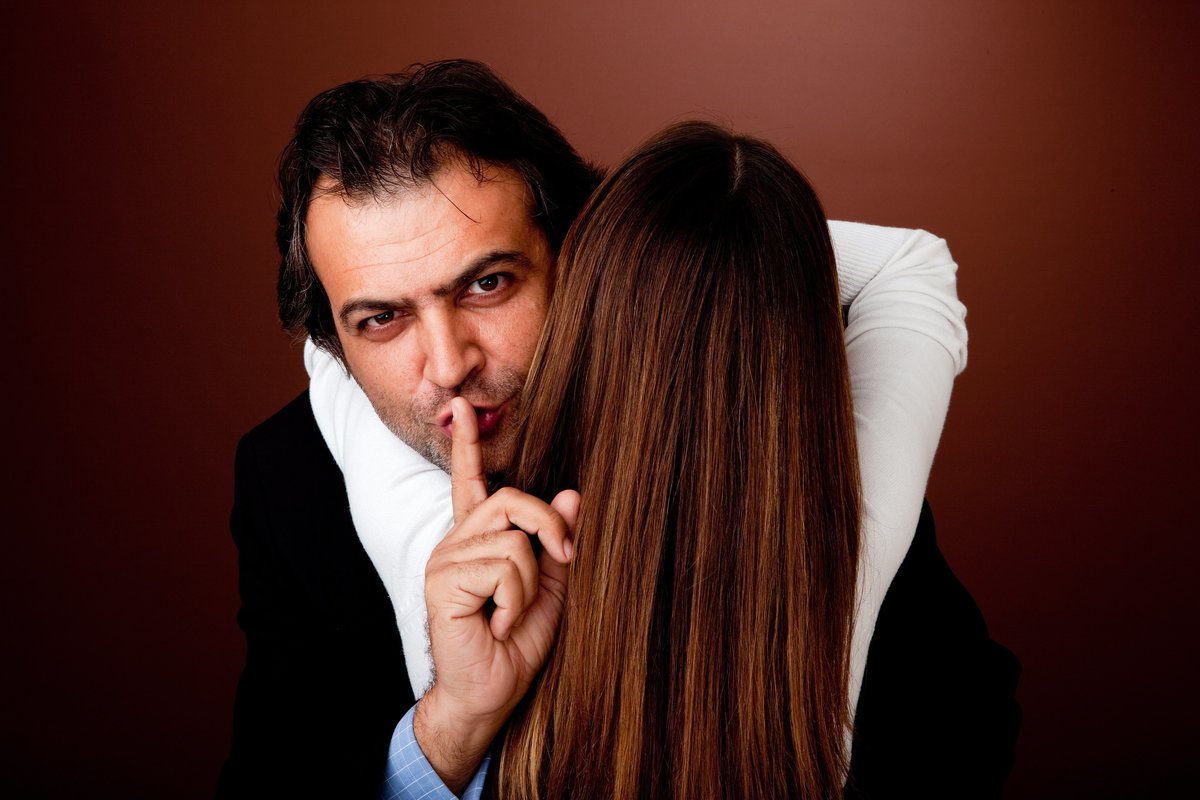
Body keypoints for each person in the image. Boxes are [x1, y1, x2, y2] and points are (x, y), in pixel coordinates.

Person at [219, 61, 1019, 798]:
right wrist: (451, 729)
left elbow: (963, 722)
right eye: (381, 319)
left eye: (488, 283)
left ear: (580, 254)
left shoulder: (744, 411)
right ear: (333, 341)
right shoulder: (290, 482)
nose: (450, 363)